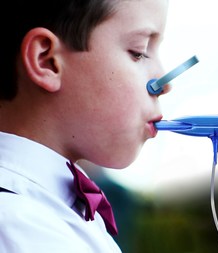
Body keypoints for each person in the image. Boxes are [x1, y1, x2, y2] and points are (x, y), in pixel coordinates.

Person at [0, 0, 170, 252]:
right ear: (47, 61)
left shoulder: (50, 209)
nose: (165, 83)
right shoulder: (21, 226)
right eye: (139, 51)